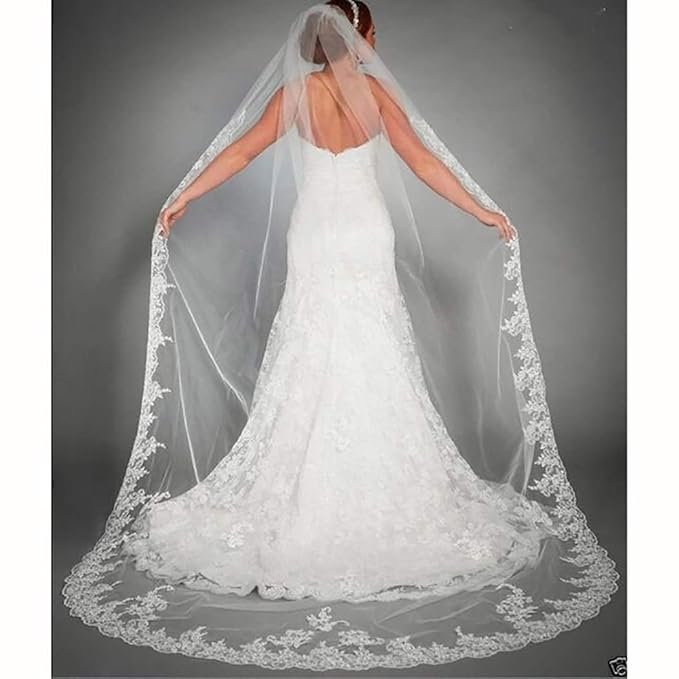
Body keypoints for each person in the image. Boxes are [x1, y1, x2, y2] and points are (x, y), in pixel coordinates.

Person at [64, 1, 618, 669]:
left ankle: (306, 491)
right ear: (366, 36)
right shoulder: (377, 94)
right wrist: (483, 210)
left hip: (315, 238)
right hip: (363, 235)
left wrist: (184, 194)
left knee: (310, 345)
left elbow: (240, 149)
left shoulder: (295, 95)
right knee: (373, 351)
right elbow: (423, 163)